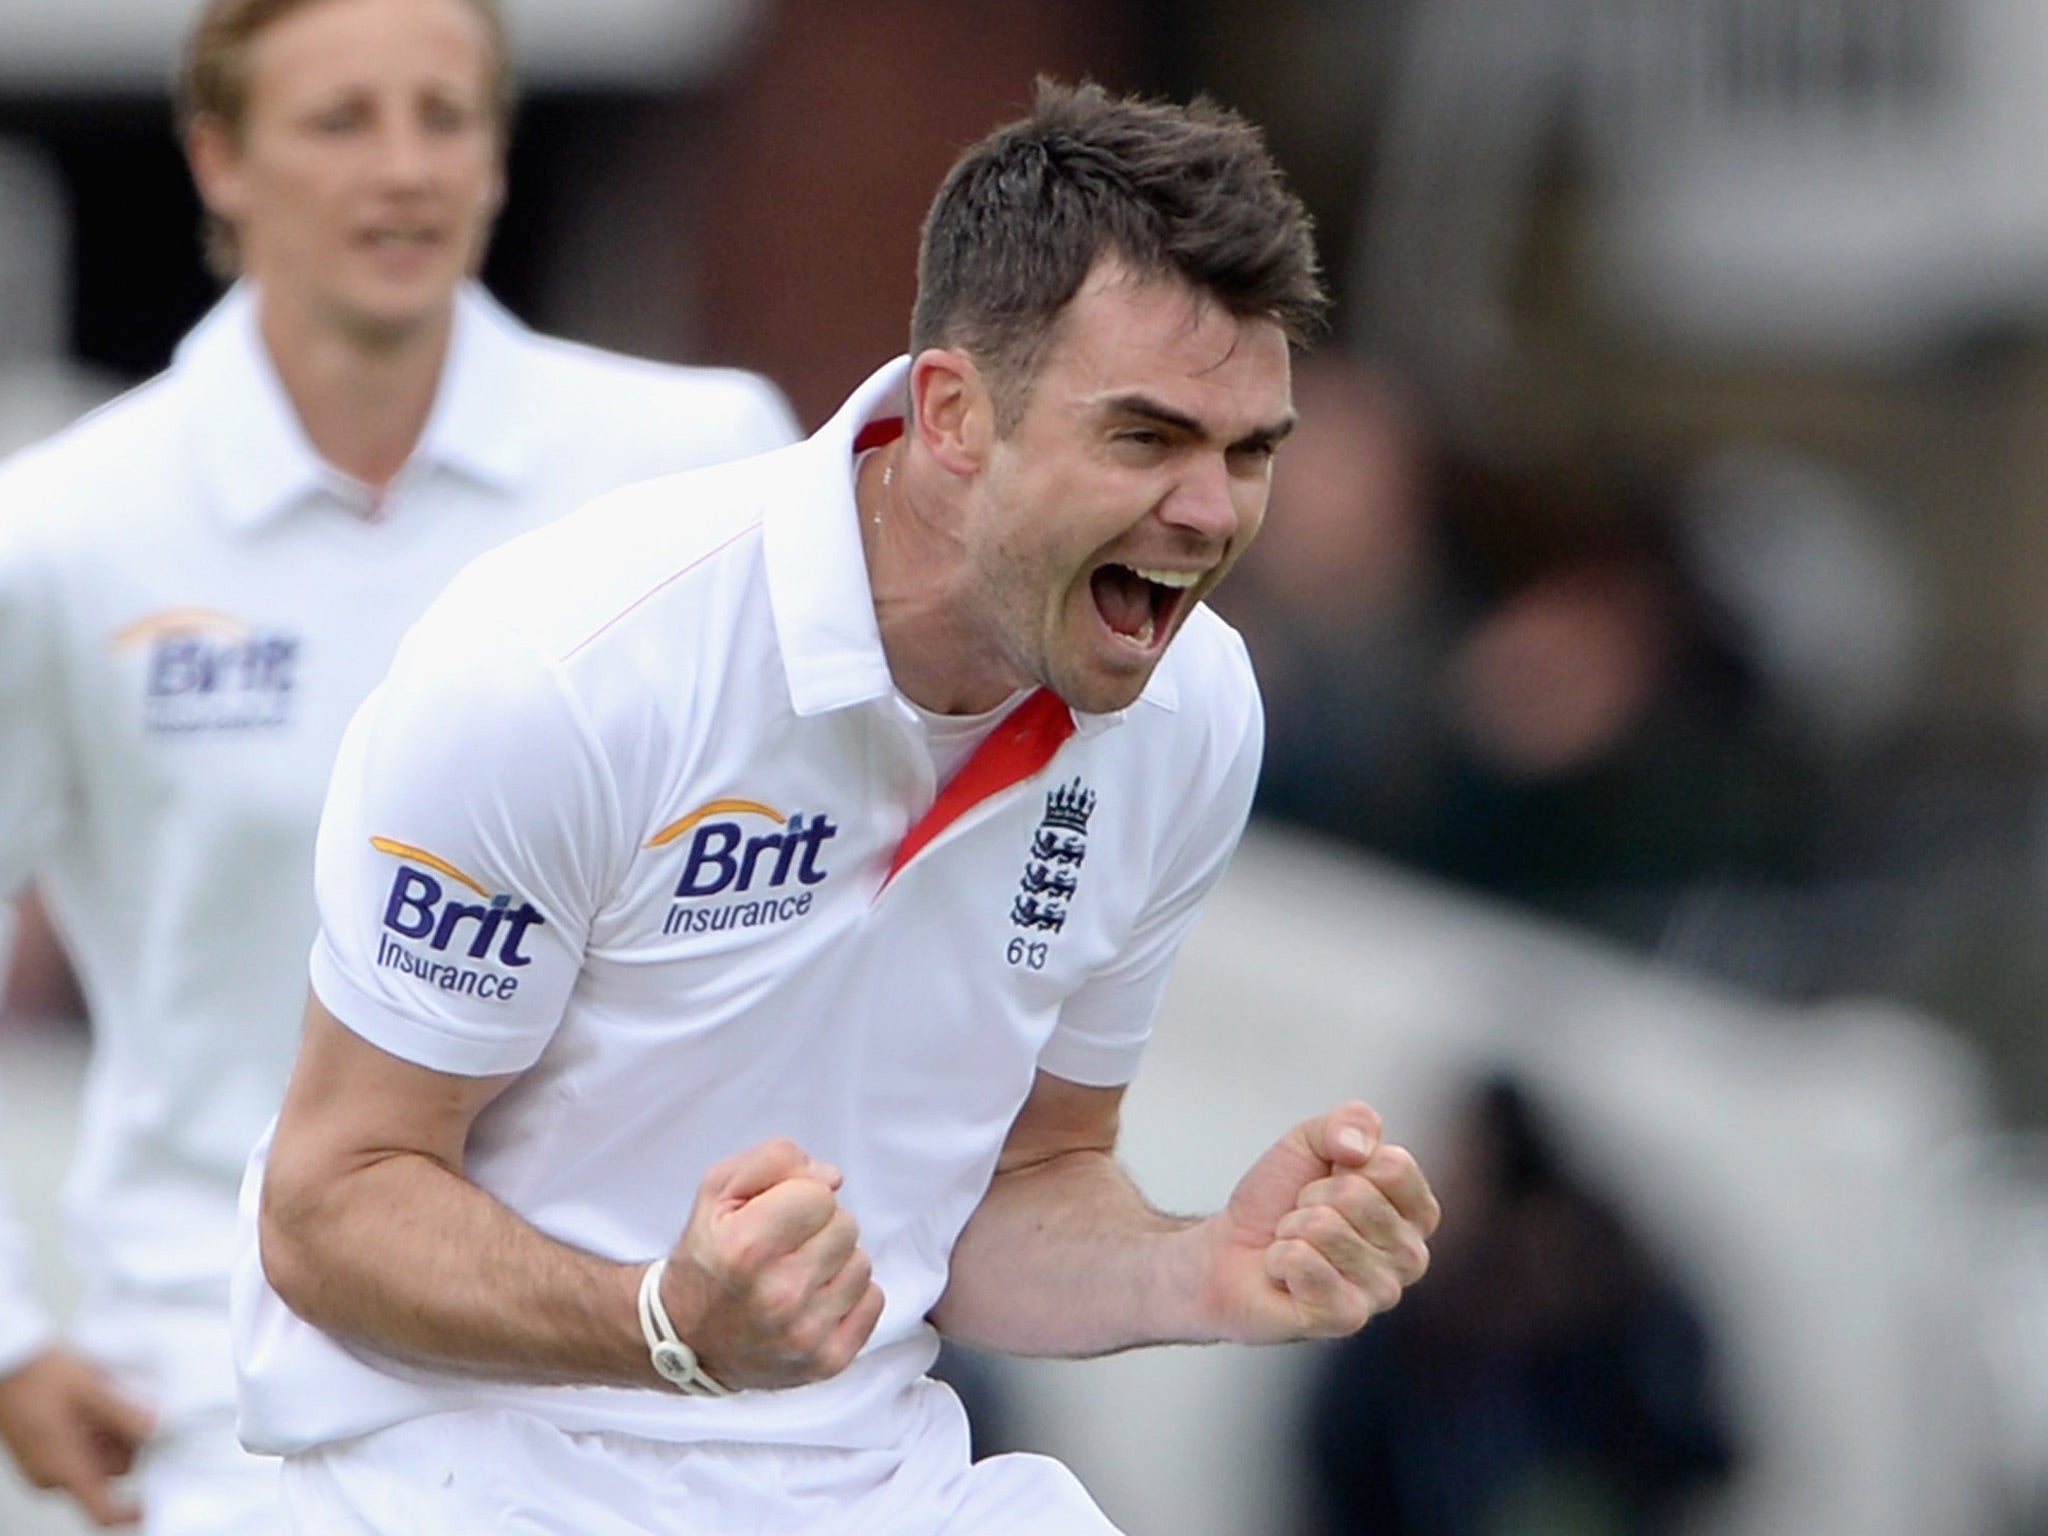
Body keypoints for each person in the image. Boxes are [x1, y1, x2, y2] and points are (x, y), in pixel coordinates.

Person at [231, 78, 1442, 1535]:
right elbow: (333, 1201)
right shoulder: (569, 669)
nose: (1211, 513)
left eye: (1251, 451)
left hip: (868, 1478)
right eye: (1145, 439)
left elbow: (1012, 1191)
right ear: (951, 415)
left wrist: (1202, 1267)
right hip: (450, 1479)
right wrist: (666, 1323)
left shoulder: (1193, 714)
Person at [0, 0, 800, 1527]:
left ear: (502, 153)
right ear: (220, 157)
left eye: (446, 117)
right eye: (341, 120)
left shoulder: (700, 465)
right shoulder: (62, 533)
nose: (405, 167)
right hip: (228, 1384)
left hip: (638, 1364)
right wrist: (7, 1340)